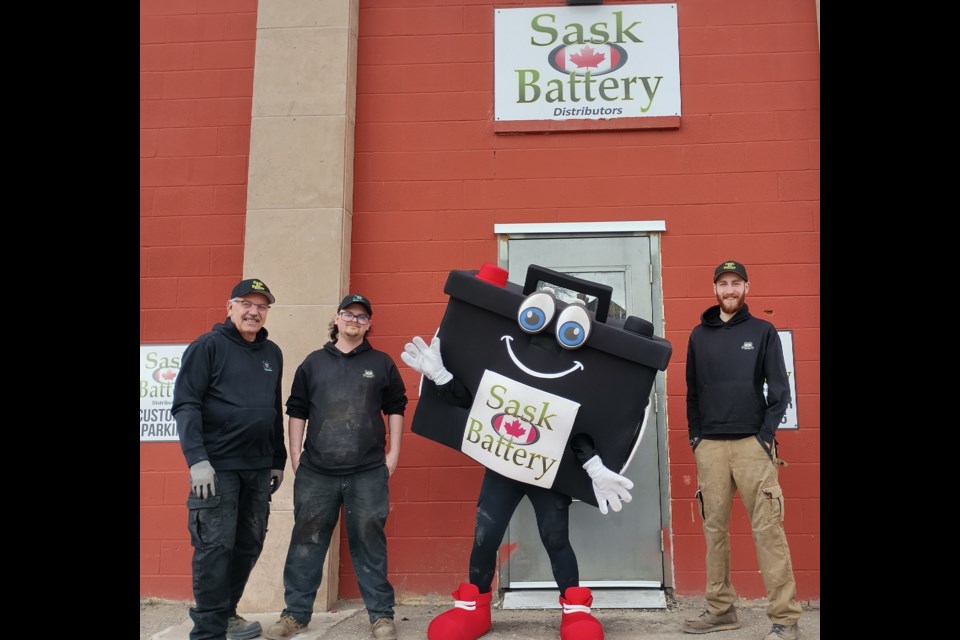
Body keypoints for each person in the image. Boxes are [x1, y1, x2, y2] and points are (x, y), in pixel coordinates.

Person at [264, 294, 408, 640]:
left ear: (369, 323)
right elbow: (296, 409)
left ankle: (380, 616)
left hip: (368, 470)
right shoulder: (313, 363)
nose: (354, 320)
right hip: (317, 472)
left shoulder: (382, 363)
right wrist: (296, 455)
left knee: (369, 541)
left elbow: (397, 407)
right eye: (349, 314)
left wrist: (394, 453)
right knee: (306, 541)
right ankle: (295, 615)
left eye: (361, 316)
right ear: (337, 318)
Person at [683, 261, 802, 640]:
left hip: (752, 445)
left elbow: (779, 391)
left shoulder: (763, 332)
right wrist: (696, 438)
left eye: (736, 283)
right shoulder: (698, 335)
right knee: (714, 530)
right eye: (723, 284)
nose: (730, 290)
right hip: (711, 448)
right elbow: (692, 393)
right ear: (715, 289)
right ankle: (721, 610)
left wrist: (764, 436)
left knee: (768, 530)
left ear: (746, 288)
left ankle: (785, 620)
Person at [173, 278, 287, 640]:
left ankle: (226, 614)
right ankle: (208, 630)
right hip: (216, 468)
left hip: (256, 468)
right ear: (230, 306)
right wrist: (196, 460)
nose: (254, 311)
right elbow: (186, 404)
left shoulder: (272, 353)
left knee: (249, 542)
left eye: (262, 306)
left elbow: (272, 409)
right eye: (246, 303)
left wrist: (277, 459)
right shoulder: (207, 347)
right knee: (215, 547)